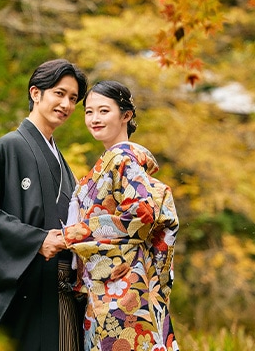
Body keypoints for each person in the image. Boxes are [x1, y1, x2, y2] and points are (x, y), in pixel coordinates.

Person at [0, 59, 88, 351]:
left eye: (73, 99)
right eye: (59, 93)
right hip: (29, 287)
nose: (67, 104)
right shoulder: (9, 147)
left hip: (63, 288)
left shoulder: (62, 162)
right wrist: (37, 241)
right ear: (36, 93)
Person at [57, 80, 180, 351]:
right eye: (89, 112)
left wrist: (75, 234)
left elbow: (142, 214)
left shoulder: (123, 159)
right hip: (104, 285)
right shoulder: (110, 160)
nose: (94, 119)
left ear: (126, 115)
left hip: (124, 287)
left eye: (104, 111)